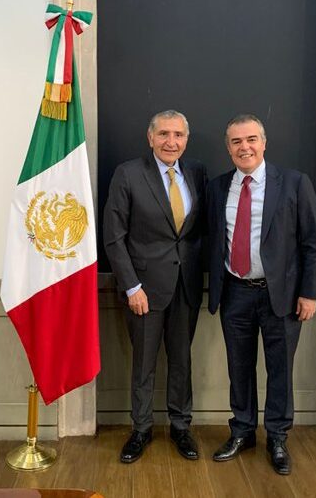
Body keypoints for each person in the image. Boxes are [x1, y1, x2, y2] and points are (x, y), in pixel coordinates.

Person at [207, 114, 316, 475]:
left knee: (280, 370)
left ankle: (277, 437)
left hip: (283, 297)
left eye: (251, 140)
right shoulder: (218, 187)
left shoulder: (293, 183)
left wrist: (309, 293)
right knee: (239, 368)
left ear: (264, 143)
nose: (244, 147)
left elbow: (313, 243)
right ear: (228, 148)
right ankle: (242, 431)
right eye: (236, 142)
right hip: (235, 294)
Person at [103, 110, 207, 463]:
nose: (171, 142)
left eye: (178, 135)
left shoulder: (197, 172)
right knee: (144, 363)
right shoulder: (128, 174)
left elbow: (199, 231)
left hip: (186, 287)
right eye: (163, 134)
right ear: (150, 138)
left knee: (182, 361)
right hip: (144, 290)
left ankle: (181, 426)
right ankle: (141, 429)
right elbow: (114, 237)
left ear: (186, 140)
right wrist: (132, 287)